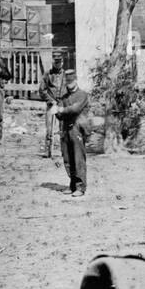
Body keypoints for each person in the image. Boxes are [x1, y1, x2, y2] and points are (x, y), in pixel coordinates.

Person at [52, 68, 93, 198]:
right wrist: (55, 109)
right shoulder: (63, 97)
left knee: (78, 159)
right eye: (67, 83)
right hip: (65, 130)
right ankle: (72, 185)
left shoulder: (82, 95)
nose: (69, 85)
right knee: (68, 159)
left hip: (78, 129)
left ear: (75, 81)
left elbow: (75, 109)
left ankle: (81, 187)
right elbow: (59, 114)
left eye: (71, 82)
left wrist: (61, 109)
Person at [38, 53, 67, 159]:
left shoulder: (66, 75)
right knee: (49, 129)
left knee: (63, 129)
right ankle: (48, 150)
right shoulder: (47, 74)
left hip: (62, 105)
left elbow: (71, 90)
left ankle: (65, 151)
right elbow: (42, 90)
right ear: (53, 62)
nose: (58, 64)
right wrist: (51, 100)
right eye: (56, 62)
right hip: (51, 105)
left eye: (59, 62)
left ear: (62, 62)